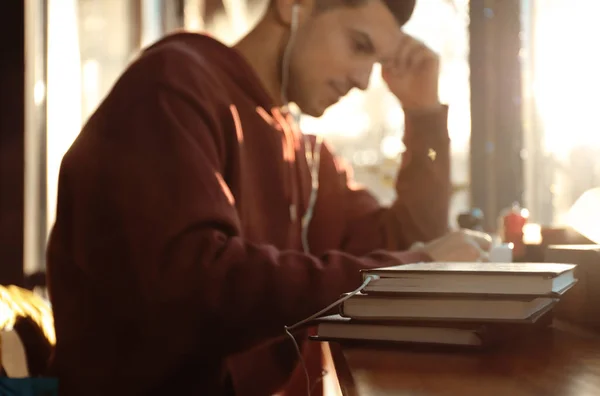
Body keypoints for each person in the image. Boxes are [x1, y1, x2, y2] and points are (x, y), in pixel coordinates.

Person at [46, 0, 491, 395]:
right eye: (359, 46)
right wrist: (406, 269)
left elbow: (409, 237)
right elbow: (199, 288)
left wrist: (424, 114)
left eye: (374, 61)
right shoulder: (171, 87)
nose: (362, 79)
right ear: (292, 5)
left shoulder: (301, 147)